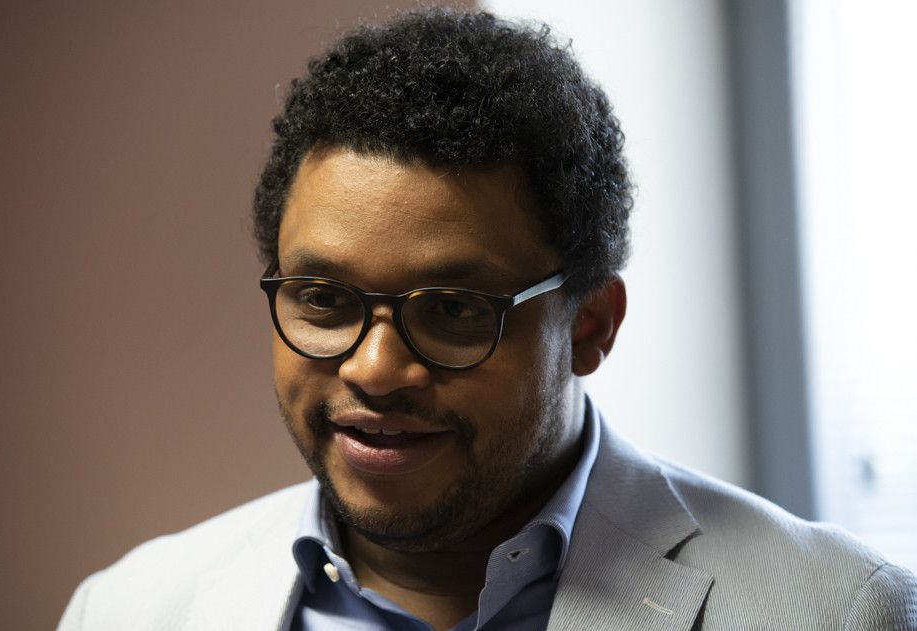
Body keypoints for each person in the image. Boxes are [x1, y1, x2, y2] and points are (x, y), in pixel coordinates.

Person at [58, 8, 917, 630]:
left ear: (589, 325)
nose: (374, 368)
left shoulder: (836, 610)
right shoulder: (130, 607)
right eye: (323, 299)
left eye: (453, 309)